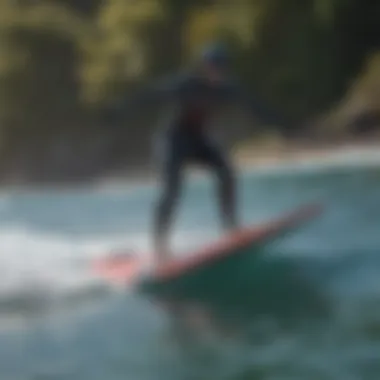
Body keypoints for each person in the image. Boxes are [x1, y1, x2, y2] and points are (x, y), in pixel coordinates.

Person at [108, 42, 284, 265]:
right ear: (204, 66)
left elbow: (254, 106)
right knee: (173, 190)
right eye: (213, 66)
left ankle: (231, 227)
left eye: (222, 67)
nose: (218, 71)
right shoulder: (186, 84)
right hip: (173, 141)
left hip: (197, 141)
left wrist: (279, 124)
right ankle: (160, 246)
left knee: (226, 171)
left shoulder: (227, 89)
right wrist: (120, 109)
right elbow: (151, 95)